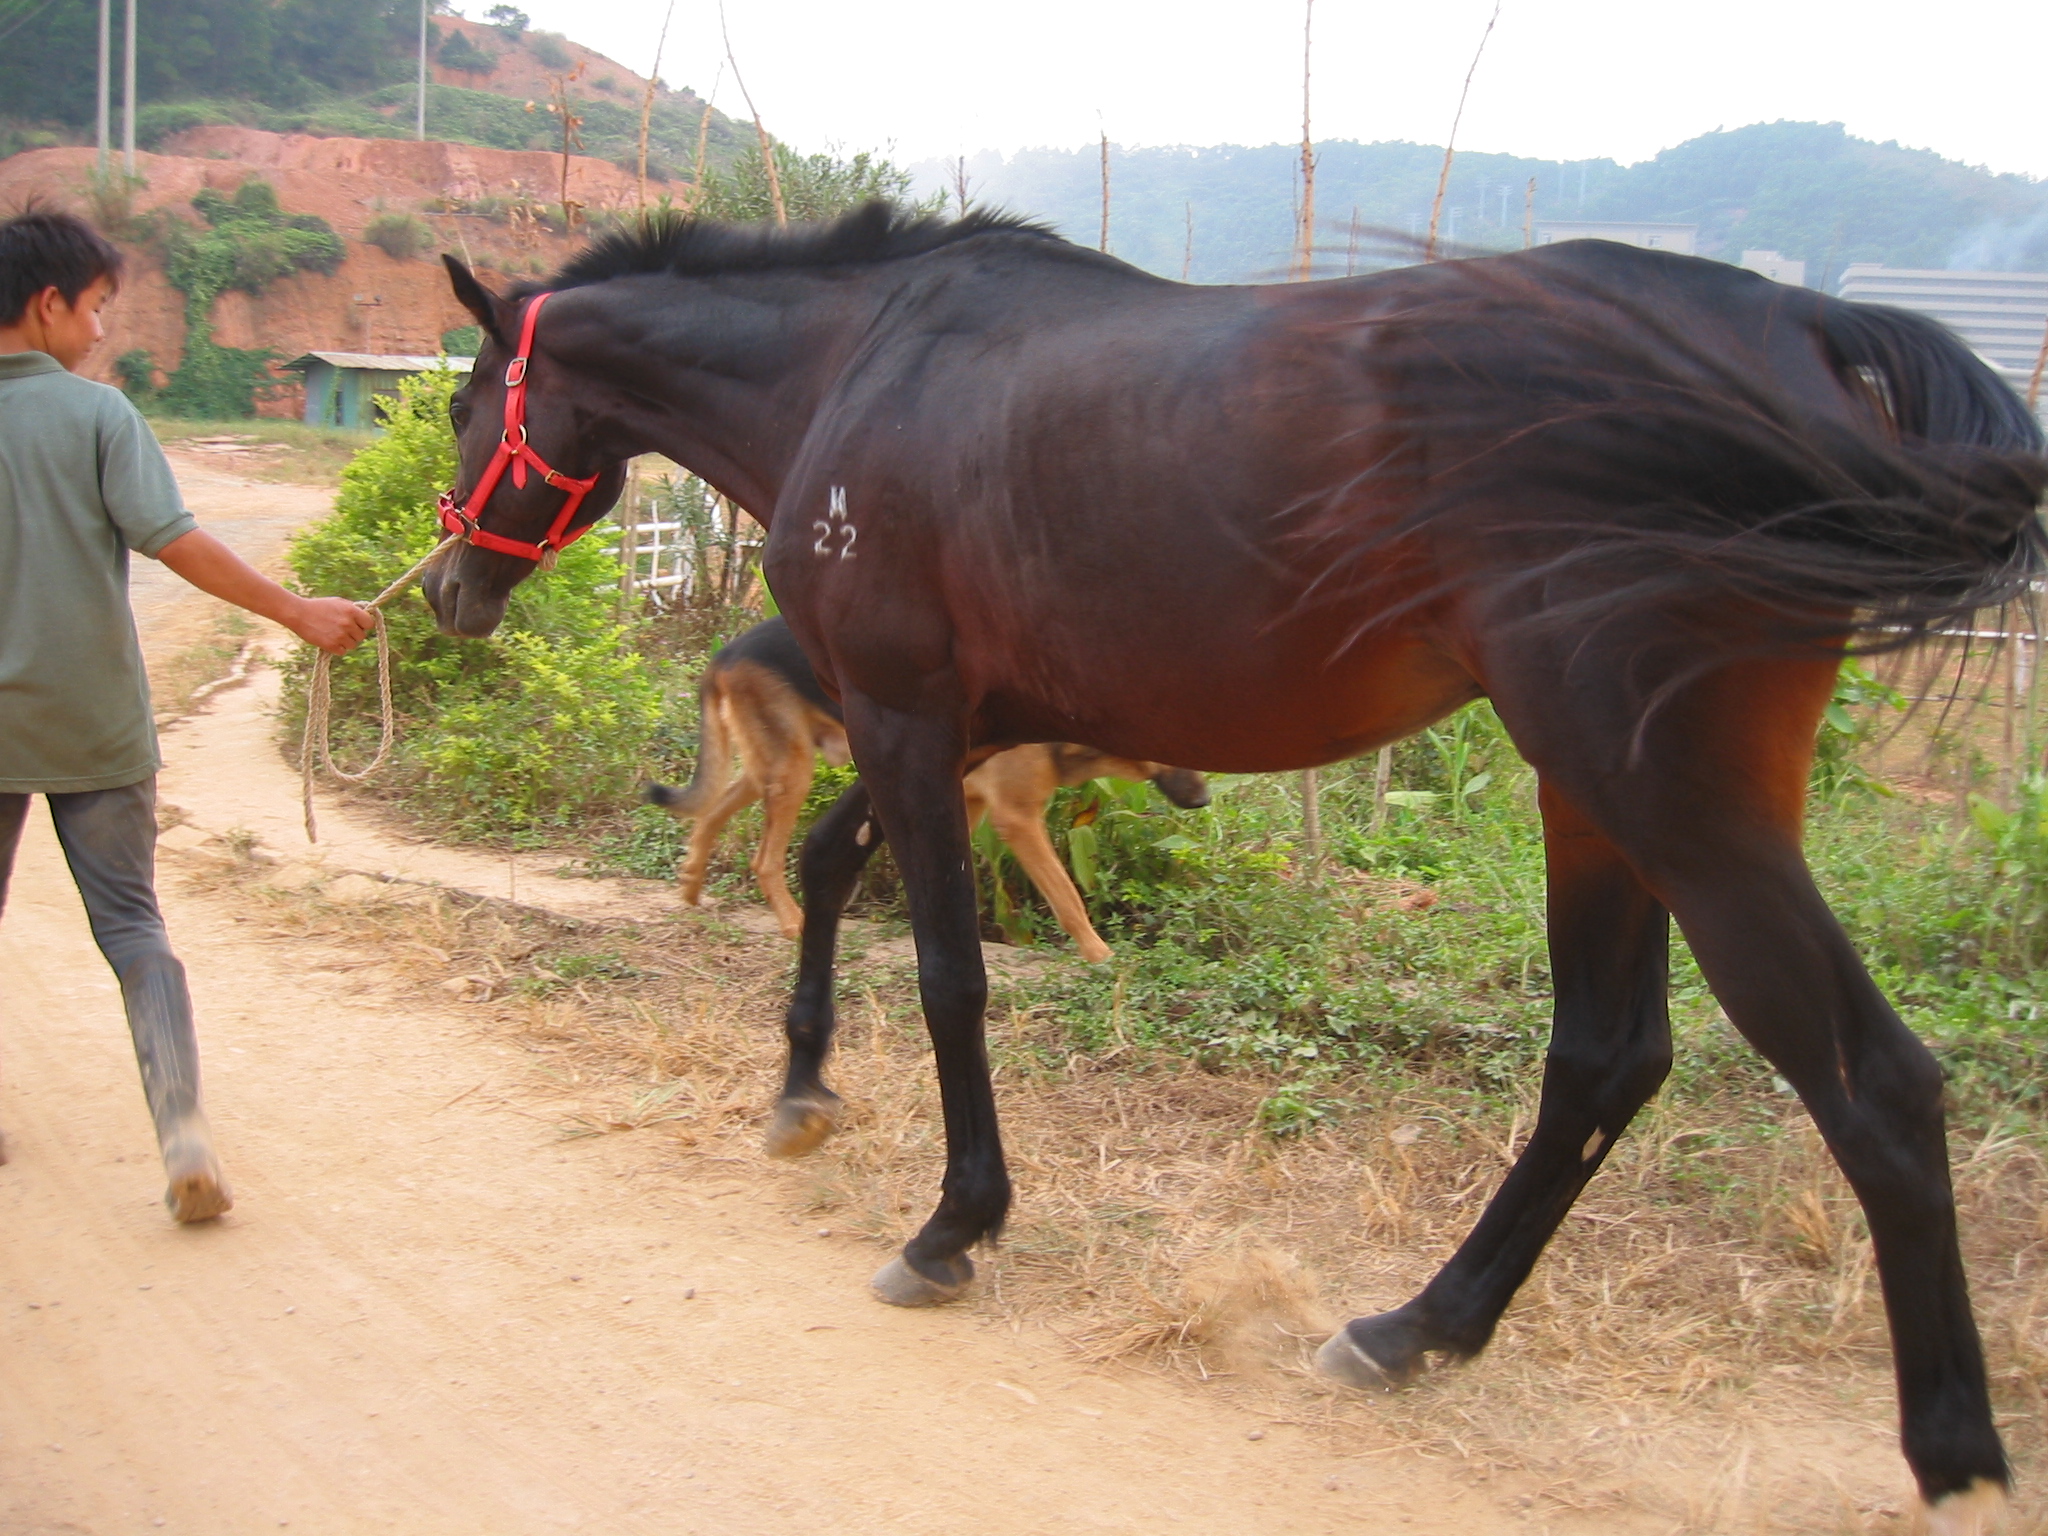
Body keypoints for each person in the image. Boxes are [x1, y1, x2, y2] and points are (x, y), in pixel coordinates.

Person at [0, 208, 374, 1220]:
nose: (101, 331)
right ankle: (182, 1134)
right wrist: (295, 610)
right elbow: (175, 541)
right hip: (94, 721)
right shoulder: (96, 417)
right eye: (97, 309)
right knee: (133, 926)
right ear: (48, 305)